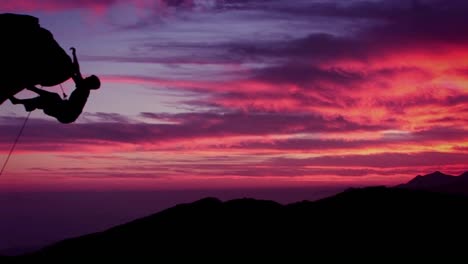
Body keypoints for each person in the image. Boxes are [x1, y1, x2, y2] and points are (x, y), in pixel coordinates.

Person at [9, 47, 100, 124]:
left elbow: (76, 71)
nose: (87, 77)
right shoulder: (83, 87)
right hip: (65, 111)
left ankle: (29, 93)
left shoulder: (83, 89)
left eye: (89, 78)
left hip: (67, 115)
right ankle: (23, 102)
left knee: (53, 97)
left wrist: (73, 58)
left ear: (90, 83)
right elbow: (75, 71)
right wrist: (73, 55)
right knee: (48, 99)